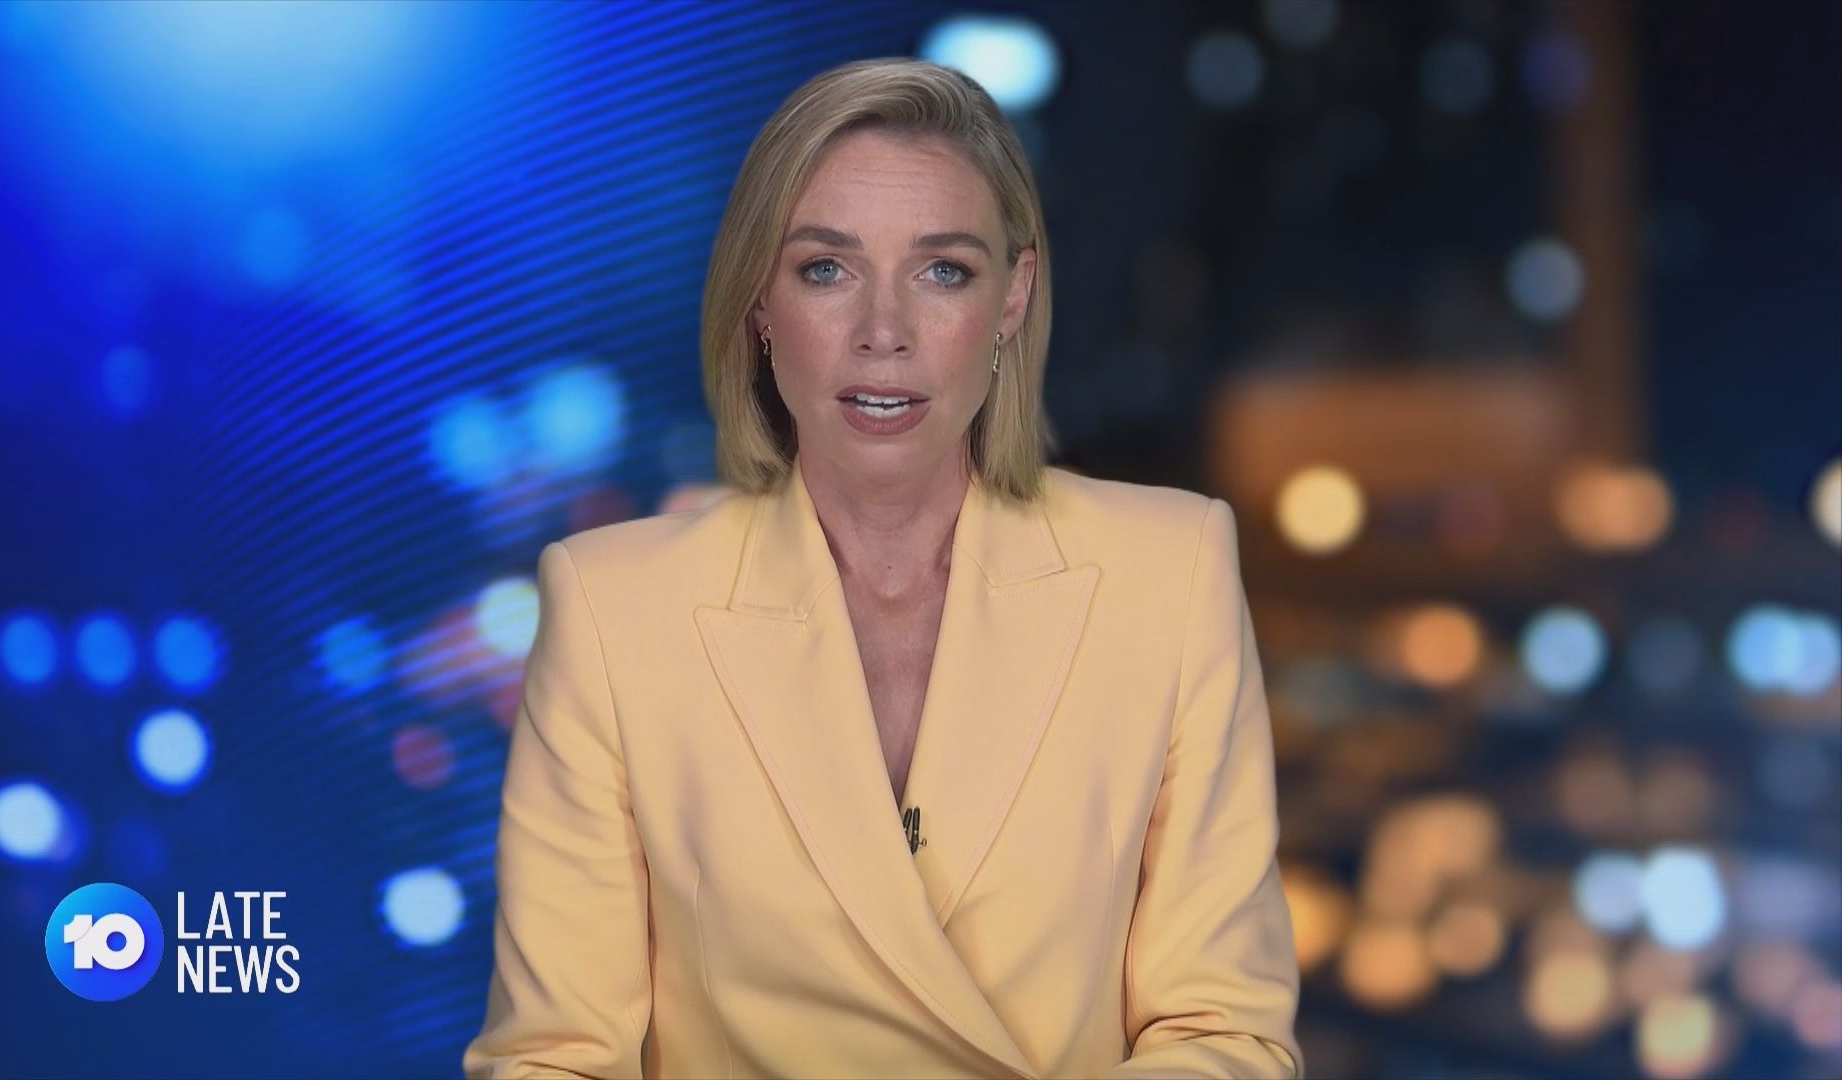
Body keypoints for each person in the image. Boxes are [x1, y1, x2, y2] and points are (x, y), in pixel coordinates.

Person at [463, 57, 1301, 1079]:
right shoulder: (611, 607)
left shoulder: (1170, 572)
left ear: (1012, 296)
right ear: (760, 300)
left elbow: (1225, 1034)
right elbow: (552, 1059)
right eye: (827, 269)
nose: (884, 334)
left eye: (943, 271)